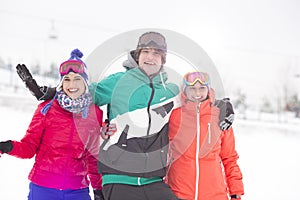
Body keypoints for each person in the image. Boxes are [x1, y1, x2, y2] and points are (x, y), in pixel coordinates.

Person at [15, 31, 235, 199]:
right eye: (146, 52)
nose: (150, 58)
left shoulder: (170, 90)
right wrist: (50, 92)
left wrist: (221, 104)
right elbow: (81, 92)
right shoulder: (118, 81)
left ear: (163, 59)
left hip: (153, 178)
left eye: (156, 54)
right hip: (118, 175)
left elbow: (195, 98)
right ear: (138, 56)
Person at [0, 49, 105, 200]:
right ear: (61, 83)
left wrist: (98, 188)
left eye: (77, 79)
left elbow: (92, 156)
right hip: (43, 188)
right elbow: (29, 147)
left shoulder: (94, 113)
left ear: (85, 83)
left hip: (77, 191)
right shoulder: (46, 108)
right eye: (67, 80)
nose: (71, 84)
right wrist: (8, 147)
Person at [166, 71, 244, 200]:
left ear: (208, 90)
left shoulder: (220, 117)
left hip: (214, 194)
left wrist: (236, 191)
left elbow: (229, 158)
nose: (197, 93)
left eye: (202, 88)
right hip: (179, 193)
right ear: (185, 90)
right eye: (192, 89)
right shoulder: (174, 116)